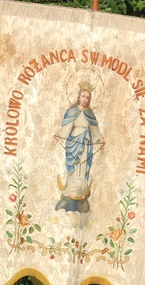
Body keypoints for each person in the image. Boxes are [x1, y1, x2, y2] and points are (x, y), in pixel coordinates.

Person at [55, 84, 105, 213]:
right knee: (74, 169)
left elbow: (94, 129)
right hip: (74, 143)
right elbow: (65, 128)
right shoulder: (73, 111)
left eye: (88, 97)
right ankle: (70, 195)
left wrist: (99, 138)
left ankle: (81, 195)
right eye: (83, 96)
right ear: (79, 96)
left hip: (86, 144)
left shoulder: (89, 113)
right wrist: (59, 135)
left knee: (83, 170)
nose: (85, 99)